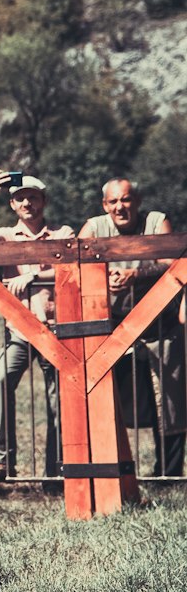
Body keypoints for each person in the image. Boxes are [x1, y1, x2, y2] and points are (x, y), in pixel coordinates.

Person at [79, 178, 186, 477]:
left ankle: (169, 474)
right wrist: (104, 279)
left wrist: (134, 274)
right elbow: (75, 263)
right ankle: (113, 471)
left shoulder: (157, 221)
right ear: (104, 205)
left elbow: (171, 260)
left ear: (137, 201)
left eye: (125, 200)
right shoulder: (94, 226)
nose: (119, 207)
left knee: (170, 403)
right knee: (107, 400)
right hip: (114, 330)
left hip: (160, 327)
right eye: (113, 202)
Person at [0, 171, 74, 485]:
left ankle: (55, 469)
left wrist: (32, 276)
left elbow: (69, 266)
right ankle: (2, 460)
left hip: (56, 330)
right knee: (0, 381)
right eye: (20, 198)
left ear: (44, 201)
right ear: (13, 204)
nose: (27, 202)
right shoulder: (5, 235)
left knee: (57, 399)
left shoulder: (63, 231)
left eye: (33, 196)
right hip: (19, 330)